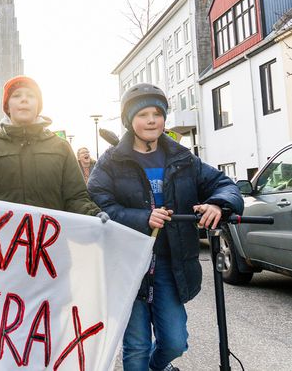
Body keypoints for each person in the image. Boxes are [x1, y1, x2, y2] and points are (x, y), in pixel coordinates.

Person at [87, 83, 244, 371]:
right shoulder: (111, 161)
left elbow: (224, 185)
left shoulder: (182, 158)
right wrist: (141, 217)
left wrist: (217, 204)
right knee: (136, 346)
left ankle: (158, 367)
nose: (151, 120)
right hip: (128, 265)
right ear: (129, 120)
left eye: (157, 113)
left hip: (170, 264)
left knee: (174, 341)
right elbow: (96, 206)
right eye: (143, 114)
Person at [0, 76, 100, 216]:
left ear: (38, 106)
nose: (24, 99)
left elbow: (76, 197)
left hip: (52, 237)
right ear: (7, 106)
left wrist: (92, 214)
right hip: (5, 237)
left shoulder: (61, 147)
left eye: (31, 95)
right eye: (16, 95)